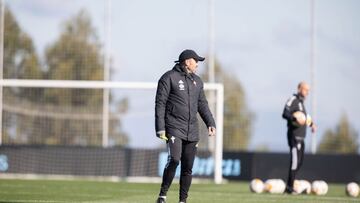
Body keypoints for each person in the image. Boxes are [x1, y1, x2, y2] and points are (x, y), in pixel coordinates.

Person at [155, 49, 216, 203]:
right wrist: (160, 127)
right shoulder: (169, 77)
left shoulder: (198, 81)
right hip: (174, 126)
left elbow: (202, 105)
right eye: (196, 61)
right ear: (188, 62)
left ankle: (183, 201)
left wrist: (210, 122)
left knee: (187, 167)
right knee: (175, 159)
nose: (197, 65)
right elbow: (160, 103)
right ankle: (162, 195)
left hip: (192, 130)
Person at [282, 82, 317, 194]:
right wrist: (294, 118)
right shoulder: (293, 99)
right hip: (294, 136)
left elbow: (305, 118)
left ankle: (290, 184)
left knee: (299, 162)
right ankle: (289, 187)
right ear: (299, 89)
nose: (307, 92)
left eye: (308, 90)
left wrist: (312, 125)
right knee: (295, 162)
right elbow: (284, 113)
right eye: (305, 89)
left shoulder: (301, 103)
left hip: (302, 137)